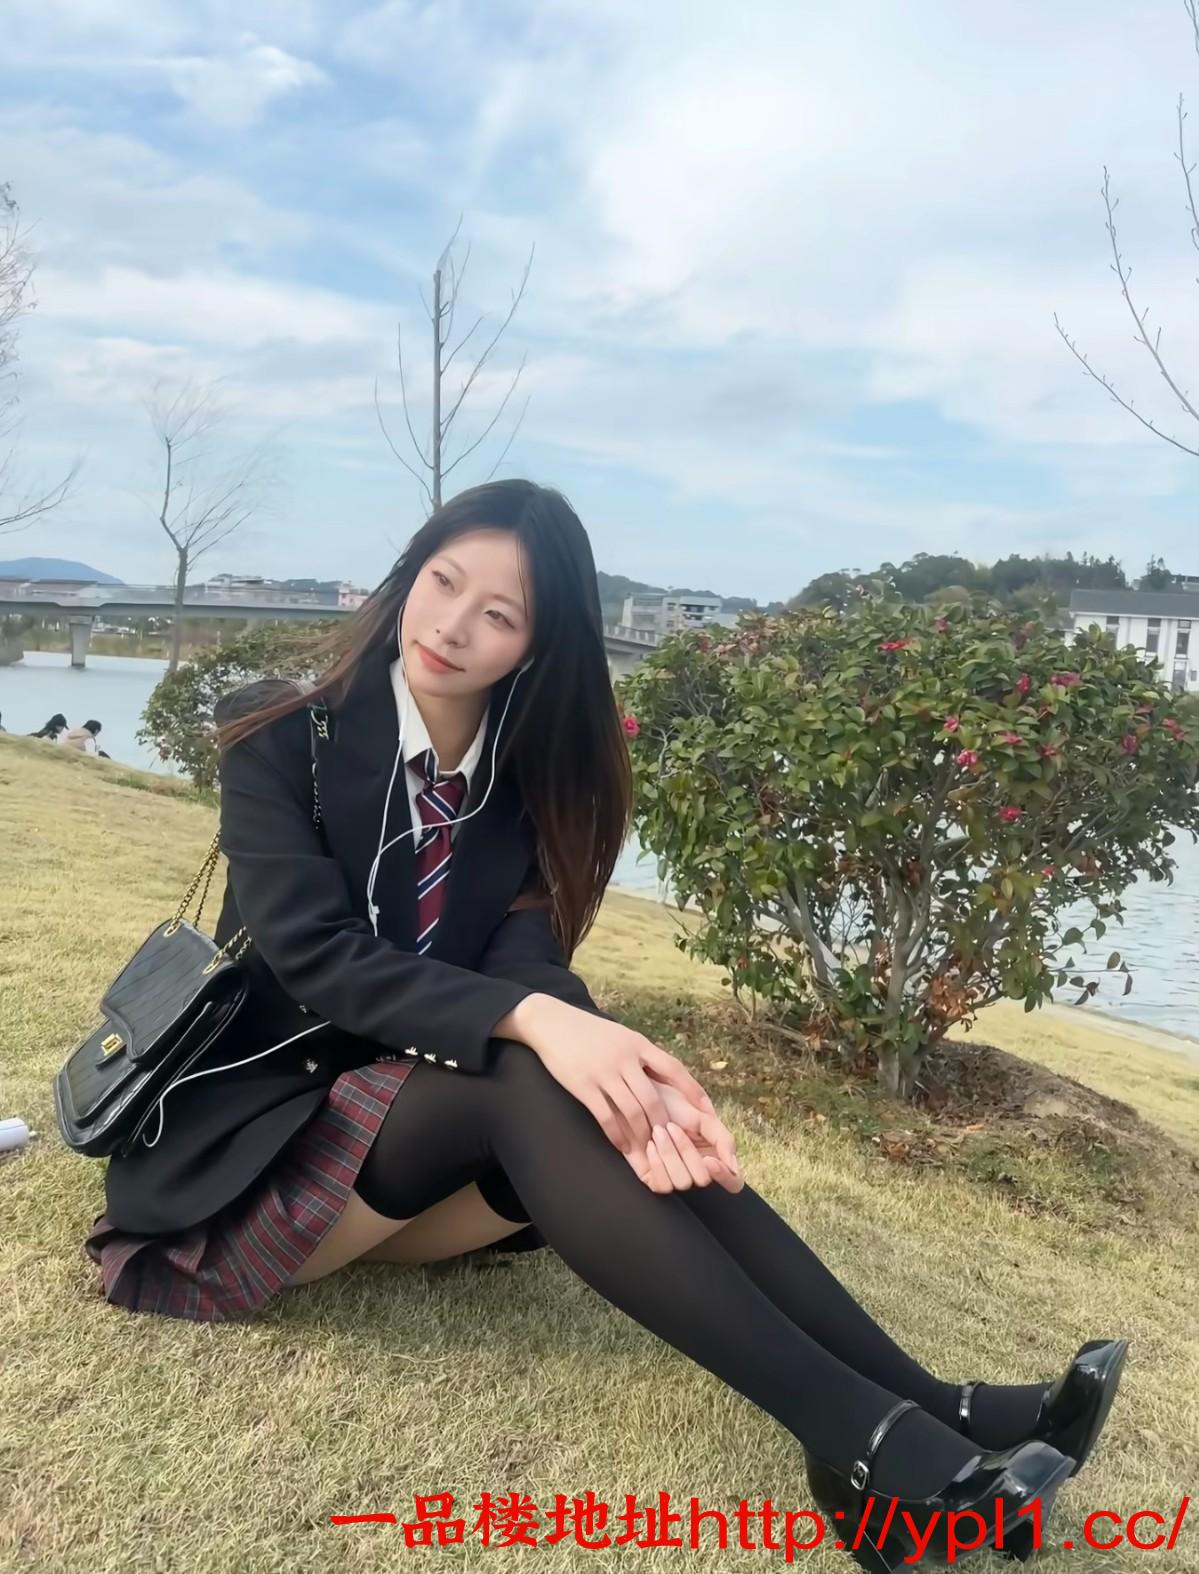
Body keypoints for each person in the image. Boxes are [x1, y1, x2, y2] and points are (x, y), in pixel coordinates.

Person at [77, 480, 1127, 1570]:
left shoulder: (524, 780)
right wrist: (544, 1024)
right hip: (258, 1164)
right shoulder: (284, 733)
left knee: (592, 1077)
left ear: (536, 643)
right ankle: (869, 1441)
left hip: (421, 1156)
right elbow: (316, 956)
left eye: (500, 613)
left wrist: (608, 1058)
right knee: (532, 1067)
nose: (453, 625)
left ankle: (930, 1403)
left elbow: (526, 964)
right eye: (443, 581)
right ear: (408, 574)